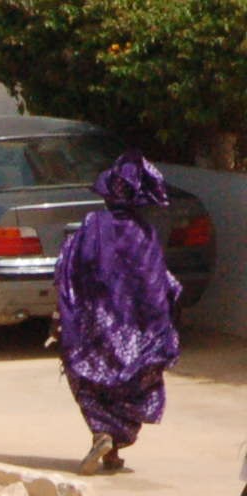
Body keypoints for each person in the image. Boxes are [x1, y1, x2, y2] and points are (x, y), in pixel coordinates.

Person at [57, 152, 183, 477]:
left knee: (87, 381)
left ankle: (102, 436)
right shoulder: (146, 235)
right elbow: (161, 284)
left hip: (94, 330)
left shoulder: (91, 226)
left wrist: (65, 317)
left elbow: (68, 272)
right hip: (139, 335)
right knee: (133, 388)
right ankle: (112, 447)